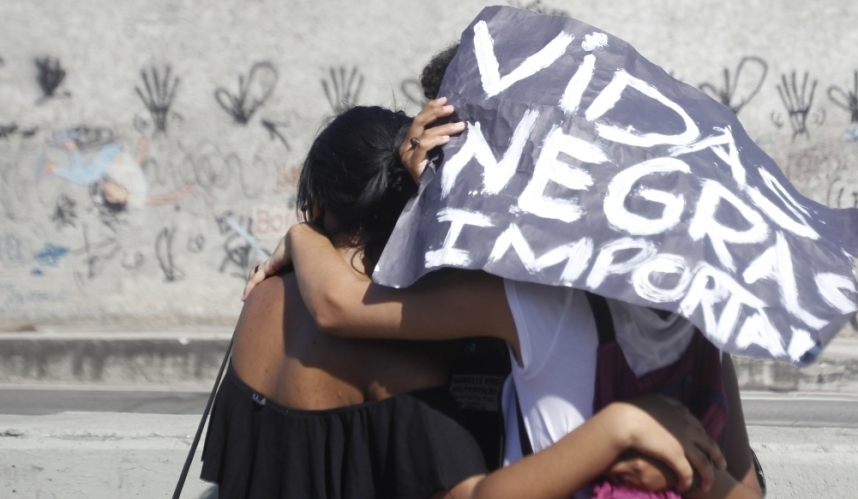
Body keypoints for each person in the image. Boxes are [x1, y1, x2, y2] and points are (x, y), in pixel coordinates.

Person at [246, 54, 763, 498]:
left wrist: (306, 234)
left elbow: (338, 305)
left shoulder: (518, 299)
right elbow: (745, 489)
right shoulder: (696, 308)